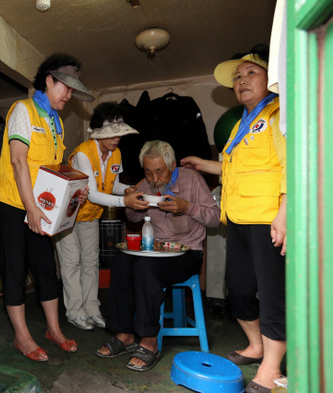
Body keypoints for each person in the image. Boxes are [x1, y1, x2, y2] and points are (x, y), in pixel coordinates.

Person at [181, 45, 286, 393]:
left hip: (268, 217)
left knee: (272, 296)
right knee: (238, 289)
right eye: (238, 77)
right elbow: (230, 167)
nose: (241, 81)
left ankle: (270, 370)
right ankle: (256, 346)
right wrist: (201, 162)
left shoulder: (278, 114)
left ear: (270, 79)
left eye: (250, 74)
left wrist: (285, 213)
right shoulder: (244, 123)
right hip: (237, 221)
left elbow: (292, 165)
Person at [0, 53, 94, 362]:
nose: (69, 95)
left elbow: (56, 168)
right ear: (49, 81)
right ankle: (22, 337)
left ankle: (54, 330)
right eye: (66, 87)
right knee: (15, 269)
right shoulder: (22, 110)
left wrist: (77, 188)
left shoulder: (56, 122)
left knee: (46, 267)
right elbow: (18, 160)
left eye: (74, 90)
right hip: (12, 204)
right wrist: (30, 208)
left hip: (40, 206)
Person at [95, 140, 220, 372]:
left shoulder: (192, 179)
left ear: (172, 164)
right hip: (155, 250)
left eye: (159, 171)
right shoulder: (146, 184)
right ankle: (125, 333)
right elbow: (132, 219)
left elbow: (215, 218)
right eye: (148, 171)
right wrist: (132, 204)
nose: (153, 179)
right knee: (122, 260)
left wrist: (187, 207)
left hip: (187, 253)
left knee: (145, 267)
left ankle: (149, 340)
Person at [55, 102, 141, 331]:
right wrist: (125, 201)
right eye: (112, 134)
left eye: (119, 133)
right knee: (72, 262)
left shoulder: (116, 153)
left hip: (91, 215)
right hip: (69, 215)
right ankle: (75, 311)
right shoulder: (84, 154)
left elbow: (112, 185)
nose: (117, 138)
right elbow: (92, 193)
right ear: (97, 132)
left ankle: (92, 309)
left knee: (91, 262)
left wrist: (128, 190)